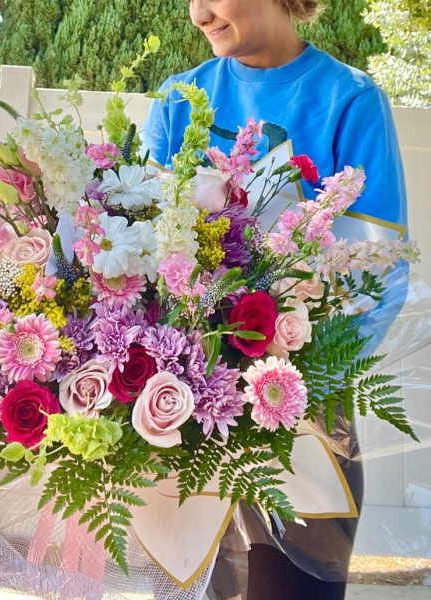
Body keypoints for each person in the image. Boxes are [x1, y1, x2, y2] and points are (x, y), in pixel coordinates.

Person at [141, 1, 409, 599]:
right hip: (184, 428)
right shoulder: (178, 100)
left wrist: (279, 389)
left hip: (300, 432)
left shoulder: (349, 101)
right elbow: (138, 258)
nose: (198, 13)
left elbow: (377, 275)